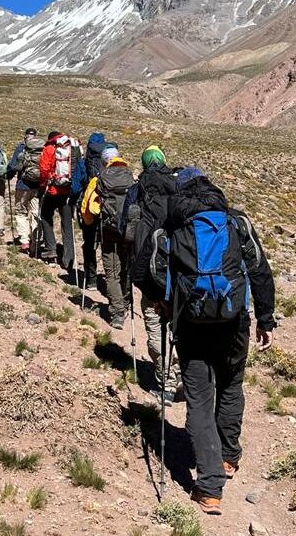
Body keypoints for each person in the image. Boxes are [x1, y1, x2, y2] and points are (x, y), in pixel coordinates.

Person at [132, 167, 276, 516]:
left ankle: (209, 488)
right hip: (235, 323)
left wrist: (162, 301)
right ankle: (228, 458)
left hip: (191, 325)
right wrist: (266, 319)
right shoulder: (237, 223)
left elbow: (145, 272)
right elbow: (259, 270)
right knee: (231, 386)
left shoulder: (172, 231)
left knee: (198, 399)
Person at [121, 145, 182, 404]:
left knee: (154, 320)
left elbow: (126, 230)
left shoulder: (136, 190)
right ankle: (183, 374)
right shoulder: (179, 186)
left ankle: (166, 381)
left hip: (149, 270)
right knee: (180, 321)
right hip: (179, 267)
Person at [81, 144, 134, 328]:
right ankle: (126, 303)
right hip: (127, 232)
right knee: (126, 268)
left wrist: (90, 223)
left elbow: (89, 210)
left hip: (108, 232)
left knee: (111, 272)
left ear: (104, 161)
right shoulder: (131, 177)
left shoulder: (99, 180)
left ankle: (117, 313)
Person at [38, 130, 77, 268]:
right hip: (67, 192)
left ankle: (51, 250)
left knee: (45, 217)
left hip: (52, 191)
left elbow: (43, 169)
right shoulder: (71, 147)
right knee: (67, 223)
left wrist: (43, 186)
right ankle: (69, 259)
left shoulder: (49, 148)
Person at [7, 127, 44, 253]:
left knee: (21, 212)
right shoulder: (42, 150)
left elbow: (13, 166)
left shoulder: (21, 148)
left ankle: (24, 240)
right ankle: (36, 240)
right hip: (38, 186)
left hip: (22, 185)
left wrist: (8, 175)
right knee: (35, 212)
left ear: (25, 136)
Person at [77, 132, 106, 289]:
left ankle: (91, 279)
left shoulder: (86, 160)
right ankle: (112, 280)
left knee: (89, 243)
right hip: (105, 206)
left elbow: (80, 179)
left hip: (88, 206)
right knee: (107, 245)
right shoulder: (107, 159)